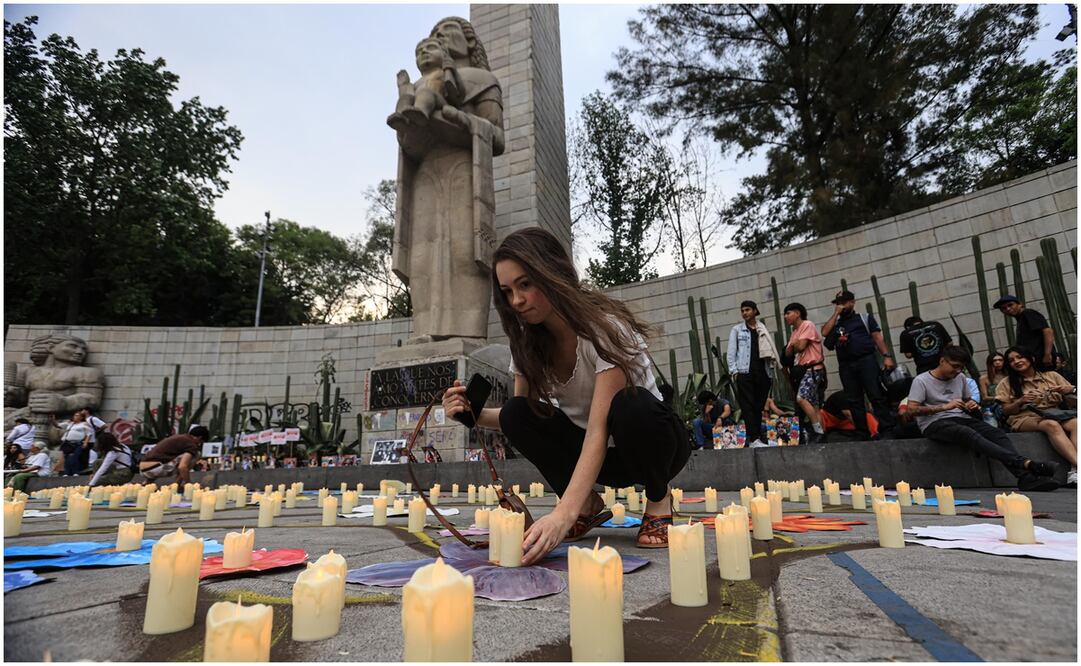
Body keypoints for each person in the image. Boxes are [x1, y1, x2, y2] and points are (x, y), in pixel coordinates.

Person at [442, 228, 690, 562]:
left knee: (630, 404)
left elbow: (601, 428)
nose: (517, 300)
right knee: (518, 410)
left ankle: (659, 499)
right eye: (508, 291)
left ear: (553, 272)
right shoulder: (528, 345)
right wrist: (470, 416)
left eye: (525, 284)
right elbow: (522, 419)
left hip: (652, 447)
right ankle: (587, 504)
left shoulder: (603, 329)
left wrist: (562, 513)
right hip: (601, 460)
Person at [908, 345, 1060, 491]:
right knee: (966, 433)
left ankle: (1025, 477)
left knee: (996, 433)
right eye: (954, 366)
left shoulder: (960, 377)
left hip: (961, 418)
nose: (958, 370)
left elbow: (967, 400)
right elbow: (910, 411)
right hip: (934, 423)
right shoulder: (921, 381)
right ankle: (1027, 464)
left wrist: (971, 405)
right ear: (942, 361)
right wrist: (943, 407)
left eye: (961, 367)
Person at [995, 346, 1077, 486]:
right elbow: (1006, 411)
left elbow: (1072, 403)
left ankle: (1075, 470)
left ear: (1031, 358)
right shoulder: (1006, 383)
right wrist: (1021, 401)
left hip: (1056, 413)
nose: (1016, 361)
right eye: (1011, 360)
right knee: (1051, 425)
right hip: (1024, 418)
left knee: (1077, 423)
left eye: (1020, 357)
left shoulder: (1052, 376)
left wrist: (1069, 391)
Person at [822, 289, 896, 438]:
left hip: (866, 360)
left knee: (875, 395)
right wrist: (836, 313)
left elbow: (877, 337)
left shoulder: (864, 318)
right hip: (846, 365)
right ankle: (862, 431)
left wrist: (887, 356)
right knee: (854, 400)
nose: (841, 306)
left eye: (844, 303)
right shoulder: (837, 324)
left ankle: (887, 429)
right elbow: (824, 333)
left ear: (852, 302)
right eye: (838, 303)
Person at [727, 300, 780, 448]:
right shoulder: (737, 330)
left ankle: (757, 438)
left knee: (758, 406)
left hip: (763, 372)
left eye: (748, 310)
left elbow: (769, 348)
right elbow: (731, 352)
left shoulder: (761, 328)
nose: (745, 313)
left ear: (755, 311)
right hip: (745, 372)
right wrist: (734, 372)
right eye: (742, 310)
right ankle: (754, 438)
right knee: (748, 406)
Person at [783, 302, 826, 443]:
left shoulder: (807, 325)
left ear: (797, 313)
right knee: (813, 404)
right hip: (804, 370)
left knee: (801, 398)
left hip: (813, 369)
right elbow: (788, 353)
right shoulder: (795, 332)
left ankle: (817, 431)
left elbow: (800, 347)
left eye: (788, 313)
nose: (785, 317)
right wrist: (796, 343)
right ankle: (822, 435)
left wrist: (796, 344)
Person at [994, 295, 1056, 371]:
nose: (1008, 309)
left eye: (1010, 305)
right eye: (1003, 308)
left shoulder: (1028, 313)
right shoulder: (1021, 318)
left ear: (1020, 304)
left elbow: (1048, 331)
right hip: (1034, 361)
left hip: (1042, 360)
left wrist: (1047, 355)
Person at [138, 426, 208, 485]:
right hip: (155, 468)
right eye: (201, 442)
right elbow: (182, 467)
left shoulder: (181, 438)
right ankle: (176, 485)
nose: (199, 444)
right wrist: (189, 484)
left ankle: (147, 483)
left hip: (143, 468)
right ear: (199, 438)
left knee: (166, 457)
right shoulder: (191, 444)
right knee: (195, 455)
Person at [52, 411, 93, 476]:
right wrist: (52, 419)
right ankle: (67, 472)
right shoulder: (70, 424)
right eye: (75, 415)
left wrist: (85, 442)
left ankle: (75, 472)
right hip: (68, 443)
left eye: (77, 415)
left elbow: (89, 434)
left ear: (81, 417)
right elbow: (57, 425)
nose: (75, 417)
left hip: (77, 443)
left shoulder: (84, 424)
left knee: (74, 457)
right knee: (66, 458)